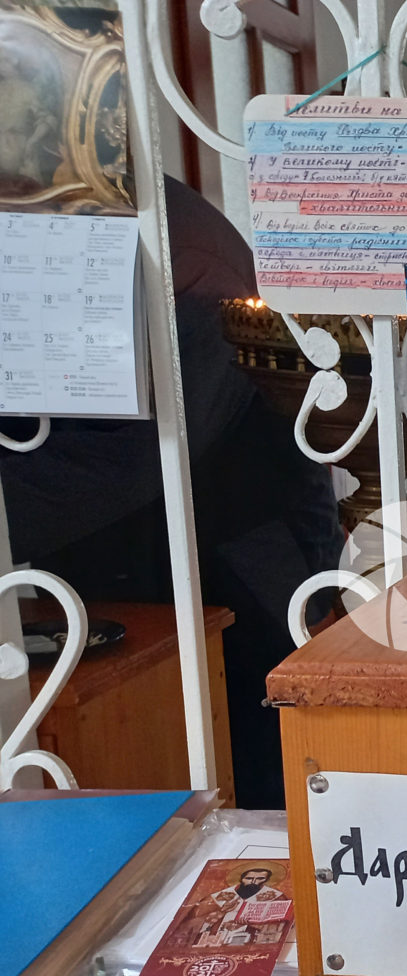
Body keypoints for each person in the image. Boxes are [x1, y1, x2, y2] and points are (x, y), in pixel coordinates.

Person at [0, 176, 344, 808]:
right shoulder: (63, 215)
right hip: (121, 569)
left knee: (264, 780)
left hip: (235, 557)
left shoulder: (171, 248)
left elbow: (133, 456)